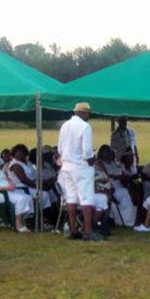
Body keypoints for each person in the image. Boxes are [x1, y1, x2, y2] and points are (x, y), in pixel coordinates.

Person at [57, 102, 100, 241]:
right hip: (81, 167)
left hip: (66, 166)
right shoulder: (85, 126)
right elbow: (87, 151)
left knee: (71, 198)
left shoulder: (64, 125)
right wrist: (92, 160)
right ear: (82, 113)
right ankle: (88, 232)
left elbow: (59, 149)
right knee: (86, 198)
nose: (88, 116)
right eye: (87, 113)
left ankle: (73, 231)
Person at [7, 143, 50, 227]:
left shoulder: (27, 163)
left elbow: (33, 175)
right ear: (14, 153)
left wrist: (41, 182)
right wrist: (38, 186)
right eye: (18, 152)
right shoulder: (15, 165)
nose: (20, 154)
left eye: (22, 152)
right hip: (19, 189)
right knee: (42, 194)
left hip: (29, 186)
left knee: (45, 195)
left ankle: (42, 218)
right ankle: (30, 219)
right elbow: (24, 180)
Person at [96, 144, 137, 227]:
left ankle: (129, 219)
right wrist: (117, 177)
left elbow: (121, 173)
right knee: (124, 193)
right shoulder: (100, 164)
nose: (110, 153)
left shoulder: (113, 163)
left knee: (132, 191)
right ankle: (126, 221)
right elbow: (104, 176)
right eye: (108, 151)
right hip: (110, 187)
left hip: (119, 185)